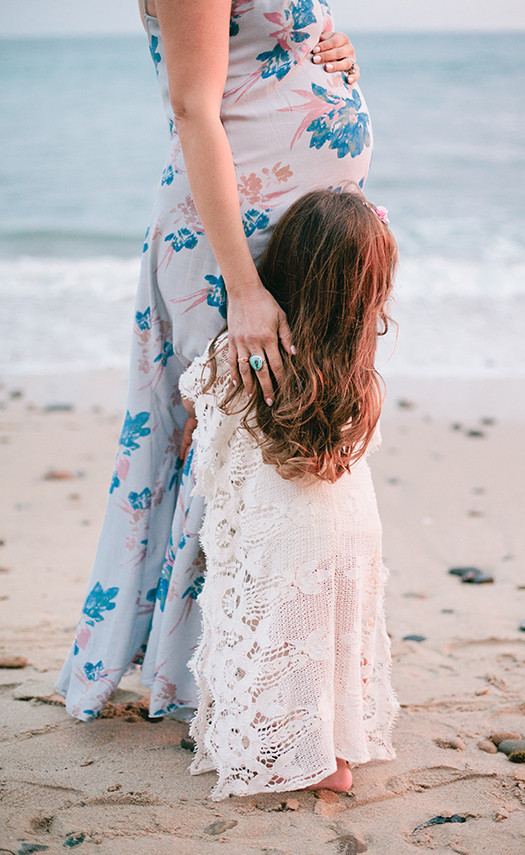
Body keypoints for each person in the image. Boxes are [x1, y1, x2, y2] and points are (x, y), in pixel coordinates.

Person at [56, 0, 374, 724]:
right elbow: (194, 107)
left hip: (300, 222)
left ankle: (255, 675)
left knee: (284, 452)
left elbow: (260, 51)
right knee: (232, 460)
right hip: (234, 239)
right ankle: (216, 685)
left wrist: (326, 49)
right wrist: (245, 288)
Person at [178, 188, 401, 800]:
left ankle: (306, 757)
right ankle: (334, 747)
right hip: (349, 533)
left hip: (277, 536)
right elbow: (364, 443)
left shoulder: (243, 352)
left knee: (278, 638)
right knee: (330, 639)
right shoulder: (357, 366)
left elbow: (209, 423)